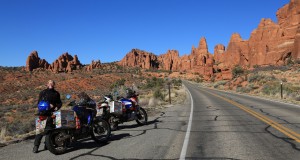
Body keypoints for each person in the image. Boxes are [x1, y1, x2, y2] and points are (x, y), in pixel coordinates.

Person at [33, 80, 62, 153]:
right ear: (47, 84)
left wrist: (56, 107)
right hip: (42, 113)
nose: (51, 84)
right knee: (40, 131)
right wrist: (42, 106)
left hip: (52, 113)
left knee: (51, 130)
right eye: (49, 83)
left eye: (52, 83)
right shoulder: (43, 92)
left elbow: (59, 103)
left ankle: (47, 145)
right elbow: (39, 102)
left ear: (54, 84)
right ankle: (36, 146)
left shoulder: (56, 93)